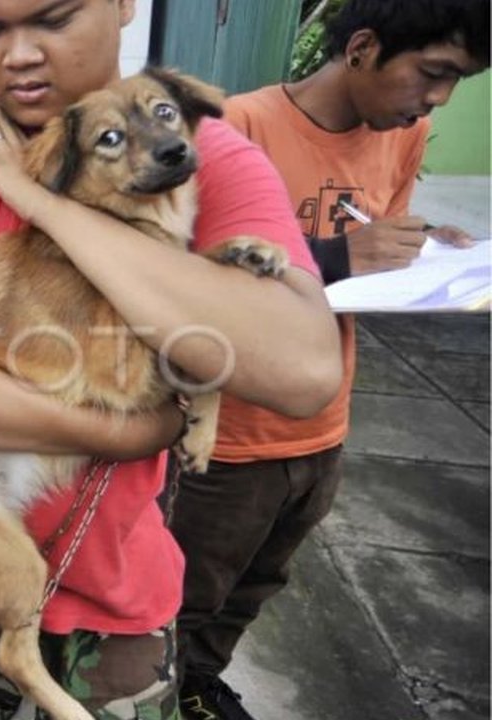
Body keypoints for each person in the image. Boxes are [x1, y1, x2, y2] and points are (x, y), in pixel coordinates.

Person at [0, 0, 344, 717]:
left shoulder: (195, 150)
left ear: (124, 6)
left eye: (54, 18)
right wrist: (136, 430)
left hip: (122, 593)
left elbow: (304, 372)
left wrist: (43, 203)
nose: (19, 55)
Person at [170, 2, 489, 718]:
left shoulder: (404, 135)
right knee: (180, 600)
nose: (436, 99)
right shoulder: (236, 128)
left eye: (456, 83)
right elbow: (175, 282)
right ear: (364, 47)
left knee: (256, 586)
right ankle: (147, 696)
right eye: (433, 73)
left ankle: (195, 687)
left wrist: (430, 256)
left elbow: (376, 258)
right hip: (225, 440)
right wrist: (335, 255)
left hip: (323, 428)